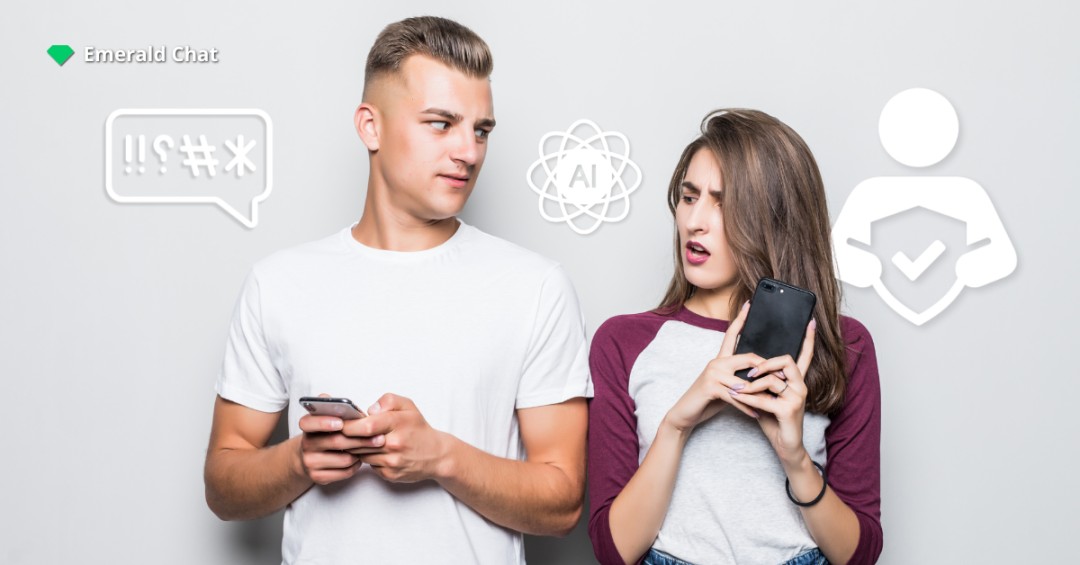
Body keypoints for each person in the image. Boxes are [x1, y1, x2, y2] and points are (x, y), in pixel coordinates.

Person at [203, 17, 591, 564]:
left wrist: (441, 458)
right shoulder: (279, 284)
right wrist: (297, 461)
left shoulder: (536, 287)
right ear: (371, 127)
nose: (469, 151)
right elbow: (222, 485)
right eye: (441, 124)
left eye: (481, 130)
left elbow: (564, 502)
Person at [587, 109, 883, 565]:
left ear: (776, 219)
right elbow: (614, 551)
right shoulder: (623, 341)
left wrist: (794, 457)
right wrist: (677, 425)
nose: (695, 221)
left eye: (723, 204)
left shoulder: (842, 344)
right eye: (689, 197)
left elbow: (858, 555)